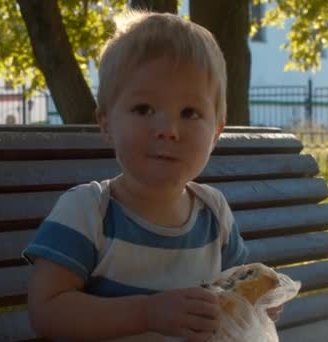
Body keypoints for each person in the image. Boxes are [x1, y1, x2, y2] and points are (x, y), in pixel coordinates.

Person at [23, 10, 281, 342]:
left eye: (190, 113)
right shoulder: (87, 212)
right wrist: (146, 313)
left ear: (216, 133)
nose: (168, 130)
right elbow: (46, 312)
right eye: (144, 109)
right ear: (106, 125)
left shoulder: (214, 213)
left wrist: (256, 305)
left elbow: (234, 290)